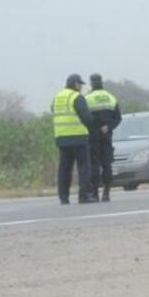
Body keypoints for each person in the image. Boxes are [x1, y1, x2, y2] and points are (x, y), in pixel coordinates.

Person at [52, 73, 97, 204]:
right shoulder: (77, 97)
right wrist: (92, 129)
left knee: (64, 168)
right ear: (76, 84)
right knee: (83, 167)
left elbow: (53, 110)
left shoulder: (57, 97)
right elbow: (87, 118)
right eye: (80, 84)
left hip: (61, 137)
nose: (81, 87)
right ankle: (84, 195)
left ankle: (63, 197)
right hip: (78, 137)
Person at [85, 73, 122, 202]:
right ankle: (106, 192)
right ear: (102, 82)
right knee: (107, 164)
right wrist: (109, 127)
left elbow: (84, 117)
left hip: (92, 136)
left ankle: (95, 193)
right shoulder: (111, 98)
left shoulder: (87, 98)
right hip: (107, 136)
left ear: (91, 83)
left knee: (94, 165)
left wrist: (93, 128)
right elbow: (118, 118)